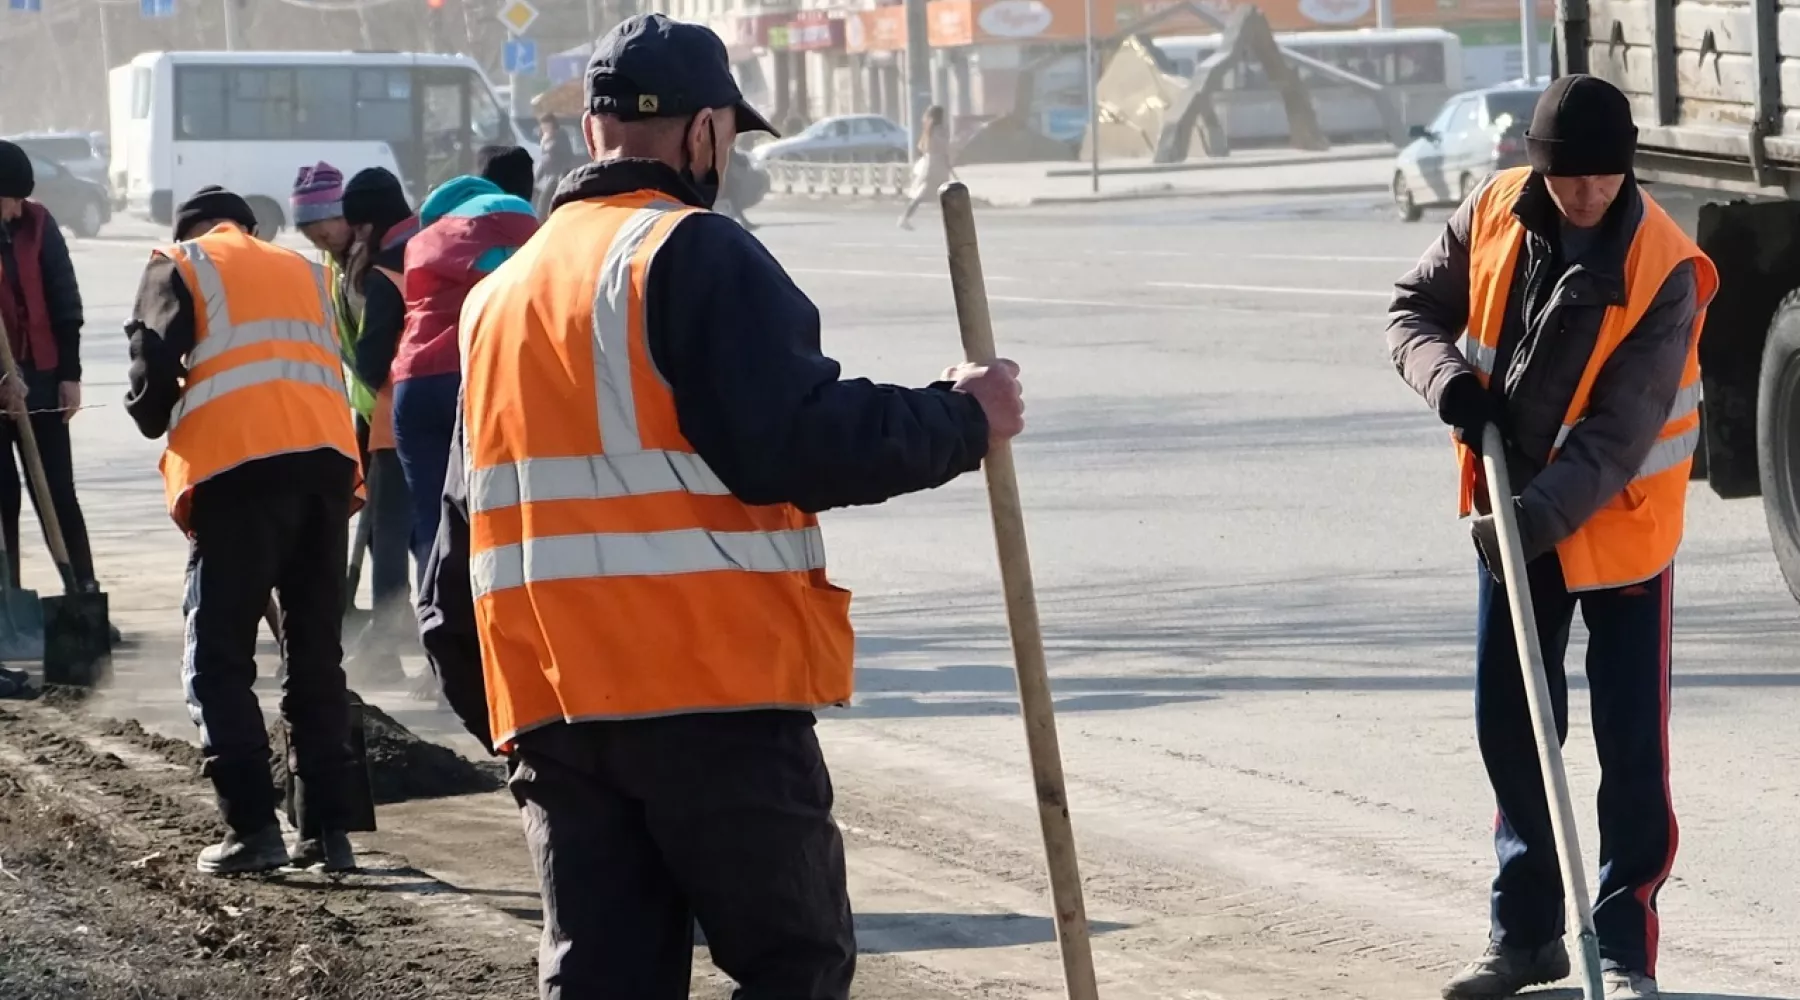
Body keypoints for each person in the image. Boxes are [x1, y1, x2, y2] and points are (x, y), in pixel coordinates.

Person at [417, 13, 1022, 999]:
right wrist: (962, 418)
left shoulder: (501, 295)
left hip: (557, 708)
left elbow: (449, 545)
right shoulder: (694, 251)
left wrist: (508, 719)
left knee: (604, 981)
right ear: (705, 133)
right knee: (793, 964)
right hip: (709, 696)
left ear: (591, 133)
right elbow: (795, 440)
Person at [1387, 75, 1712, 1000]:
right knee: (1513, 726)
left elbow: (1618, 436)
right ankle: (1525, 936)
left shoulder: (1666, 266)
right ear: (1539, 168)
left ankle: (1624, 949)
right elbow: (1411, 312)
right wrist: (1447, 381)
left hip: (1620, 533)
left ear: (1628, 167)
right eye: (1571, 181)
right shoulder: (1492, 210)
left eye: (1605, 179)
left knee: (1631, 749)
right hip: (1512, 516)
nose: (1588, 196)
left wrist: (1529, 521)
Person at [123, 186, 364, 875]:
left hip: (237, 477)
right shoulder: (307, 271)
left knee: (218, 658)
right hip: (326, 470)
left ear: (194, 228)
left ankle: (252, 829)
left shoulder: (181, 262)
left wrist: (156, 410)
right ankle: (327, 833)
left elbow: (149, 392)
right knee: (314, 653)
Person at [392, 172, 537, 574]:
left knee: (431, 519)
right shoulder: (514, 217)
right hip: (478, 373)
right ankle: (486, 626)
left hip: (414, 381)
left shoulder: (422, 242)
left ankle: (433, 624)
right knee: (493, 513)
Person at [293, 161, 404, 661]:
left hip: (392, 402)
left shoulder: (374, 258)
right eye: (307, 229)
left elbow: (378, 344)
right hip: (364, 408)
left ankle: (396, 628)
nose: (319, 235)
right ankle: (392, 623)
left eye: (325, 223)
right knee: (378, 523)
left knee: (394, 526)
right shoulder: (337, 265)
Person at [0, 140, 99, 598]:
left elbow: (65, 300)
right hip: (2, 385)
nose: (18, 207)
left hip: (41, 375)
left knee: (57, 490)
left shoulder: (38, 225)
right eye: (11, 197)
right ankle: (7, 598)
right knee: (4, 497)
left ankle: (81, 588)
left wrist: (69, 374)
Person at [338, 167, 419, 682]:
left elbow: (371, 362)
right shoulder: (434, 246)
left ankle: (388, 645)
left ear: (367, 224)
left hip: (395, 420)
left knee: (387, 538)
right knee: (436, 534)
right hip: (457, 411)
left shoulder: (387, 270)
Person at [897, 105, 956, 230]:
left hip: (932, 162)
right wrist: (948, 161)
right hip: (936, 164)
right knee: (930, 193)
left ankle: (905, 218)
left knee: (938, 193)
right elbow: (944, 147)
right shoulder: (939, 130)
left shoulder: (930, 130)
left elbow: (922, 147)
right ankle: (904, 217)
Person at [534, 113, 583, 217]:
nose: (544, 127)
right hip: (548, 173)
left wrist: (562, 174)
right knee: (545, 202)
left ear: (552, 124)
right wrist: (538, 176)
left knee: (545, 200)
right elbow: (543, 159)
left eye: (546, 124)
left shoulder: (560, 136)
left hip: (558, 174)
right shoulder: (544, 137)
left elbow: (567, 156)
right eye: (542, 124)